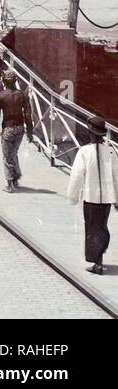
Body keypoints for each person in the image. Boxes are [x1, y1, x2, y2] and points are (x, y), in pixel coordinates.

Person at [67, 114, 118, 274]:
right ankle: (99, 257)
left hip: (90, 198)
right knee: (101, 226)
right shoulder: (111, 151)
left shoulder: (84, 151)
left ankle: (97, 262)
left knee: (91, 228)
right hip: (106, 200)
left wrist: (72, 196)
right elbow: (117, 176)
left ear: (90, 133)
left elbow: (76, 175)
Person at [0, 71, 35, 192]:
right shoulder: (22, 95)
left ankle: (10, 183)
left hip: (8, 129)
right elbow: (28, 115)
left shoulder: (0, 97)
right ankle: (16, 178)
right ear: (15, 81)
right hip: (20, 129)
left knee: (7, 156)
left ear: (4, 81)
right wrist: (30, 133)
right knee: (14, 153)